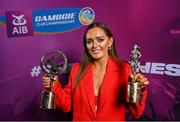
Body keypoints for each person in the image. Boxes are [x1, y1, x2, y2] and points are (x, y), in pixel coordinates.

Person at [42, 22, 149, 121]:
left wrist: (139, 89)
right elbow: (66, 106)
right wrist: (54, 85)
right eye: (89, 41)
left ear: (110, 42)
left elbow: (136, 112)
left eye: (100, 40)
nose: (94, 46)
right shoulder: (77, 70)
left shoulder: (124, 69)